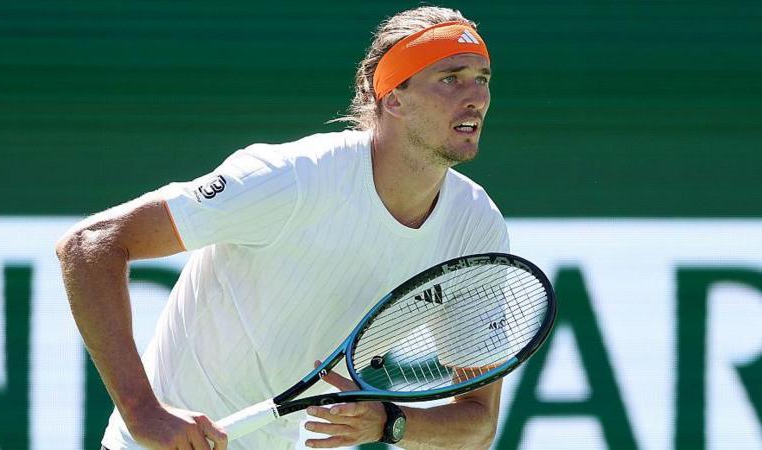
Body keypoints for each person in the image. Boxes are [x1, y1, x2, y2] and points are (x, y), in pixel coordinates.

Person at [57, 5, 508, 450]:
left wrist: (391, 423)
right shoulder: (292, 177)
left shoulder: (476, 228)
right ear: (393, 98)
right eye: (450, 78)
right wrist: (143, 412)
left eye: (482, 79)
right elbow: (90, 244)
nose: (476, 97)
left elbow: (479, 422)